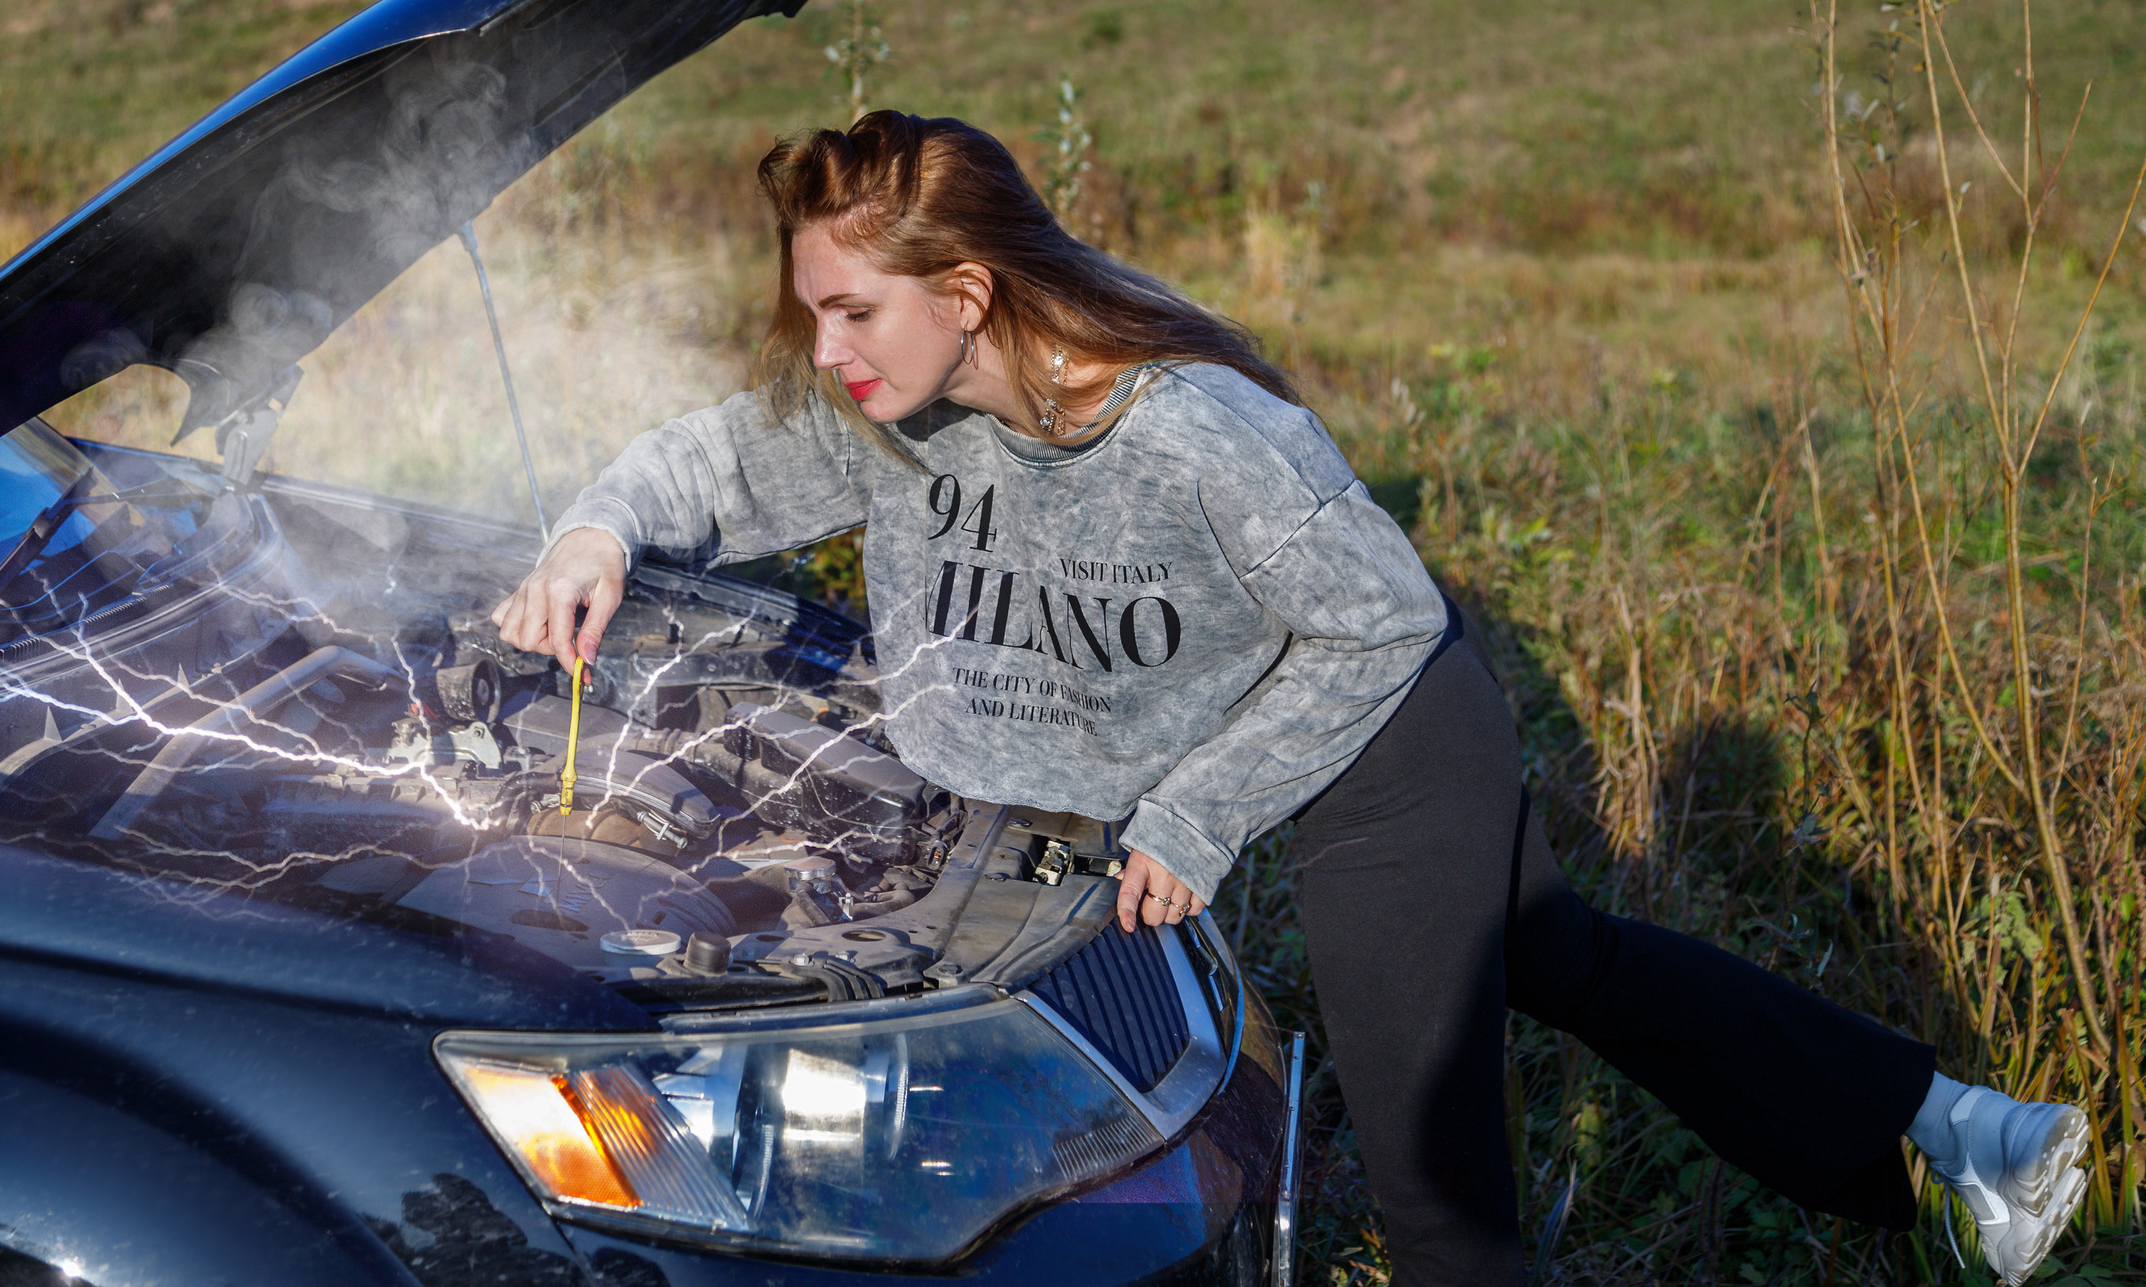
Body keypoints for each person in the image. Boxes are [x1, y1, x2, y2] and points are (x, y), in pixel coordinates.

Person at [491, 112, 2090, 1287]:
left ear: (965, 292)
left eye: (853, 313)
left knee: (1439, 1208)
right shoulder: (883, 407)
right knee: (1568, 960)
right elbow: (711, 456)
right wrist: (593, 529)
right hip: (1287, 725)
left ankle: (1946, 1148)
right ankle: (1954, 1136)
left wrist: (1195, 813)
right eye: (815, 312)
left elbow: (1383, 623)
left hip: (1379, 743)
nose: (824, 349)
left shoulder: (1187, 428)